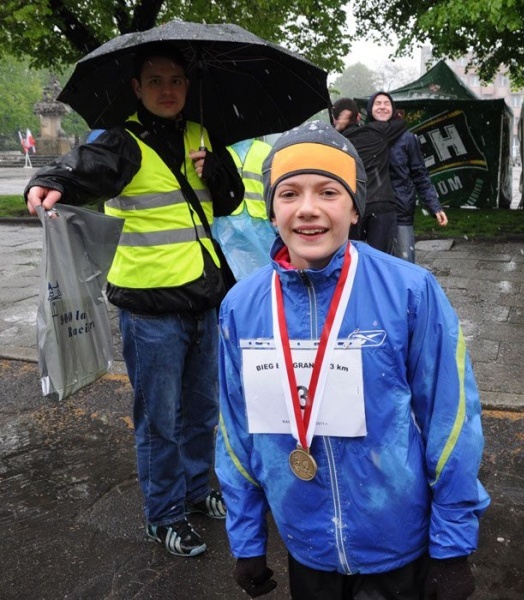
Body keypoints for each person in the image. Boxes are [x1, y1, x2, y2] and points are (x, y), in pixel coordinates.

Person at [215, 121, 490, 599]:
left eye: (328, 192)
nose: (307, 209)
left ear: (355, 207)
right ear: (272, 211)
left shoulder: (409, 292)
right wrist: (246, 540)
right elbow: (234, 432)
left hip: (396, 543)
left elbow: (452, 423)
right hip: (306, 545)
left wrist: (452, 548)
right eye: (289, 194)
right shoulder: (242, 307)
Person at [25, 43, 243, 558]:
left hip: (203, 298)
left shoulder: (200, 135)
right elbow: (83, 169)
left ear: (187, 87)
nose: (167, 90)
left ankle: (197, 490)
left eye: (176, 81)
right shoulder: (122, 142)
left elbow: (230, 199)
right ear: (136, 88)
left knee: (202, 411)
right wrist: (49, 180)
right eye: (156, 81)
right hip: (150, 309)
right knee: (159, 420)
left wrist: (214, 170)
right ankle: (164, 514)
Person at [367, 93, 448, 263]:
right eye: (377, 103)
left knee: (404, 265)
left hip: (400, 210)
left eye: (386, 103)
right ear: (370, 109)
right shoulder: (365, 137)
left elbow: (420, 175)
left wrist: (434, 206)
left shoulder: (407, 139)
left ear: (393, 108)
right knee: (376, 265)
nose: (382, 107)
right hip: (373, 212)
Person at [332, 96, 408, 254]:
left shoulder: (337, 144)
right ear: (359, 117)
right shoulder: (377, 131)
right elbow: (401, 123)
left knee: (351, 256)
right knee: (380, 258)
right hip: (382, 205)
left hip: (353, 207)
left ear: (334, 120)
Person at [214, 137, 278, 279]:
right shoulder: (266, 150)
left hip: (230, 221)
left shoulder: (221, 153)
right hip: (260, 220)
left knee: (239, 271)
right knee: (267, 271)